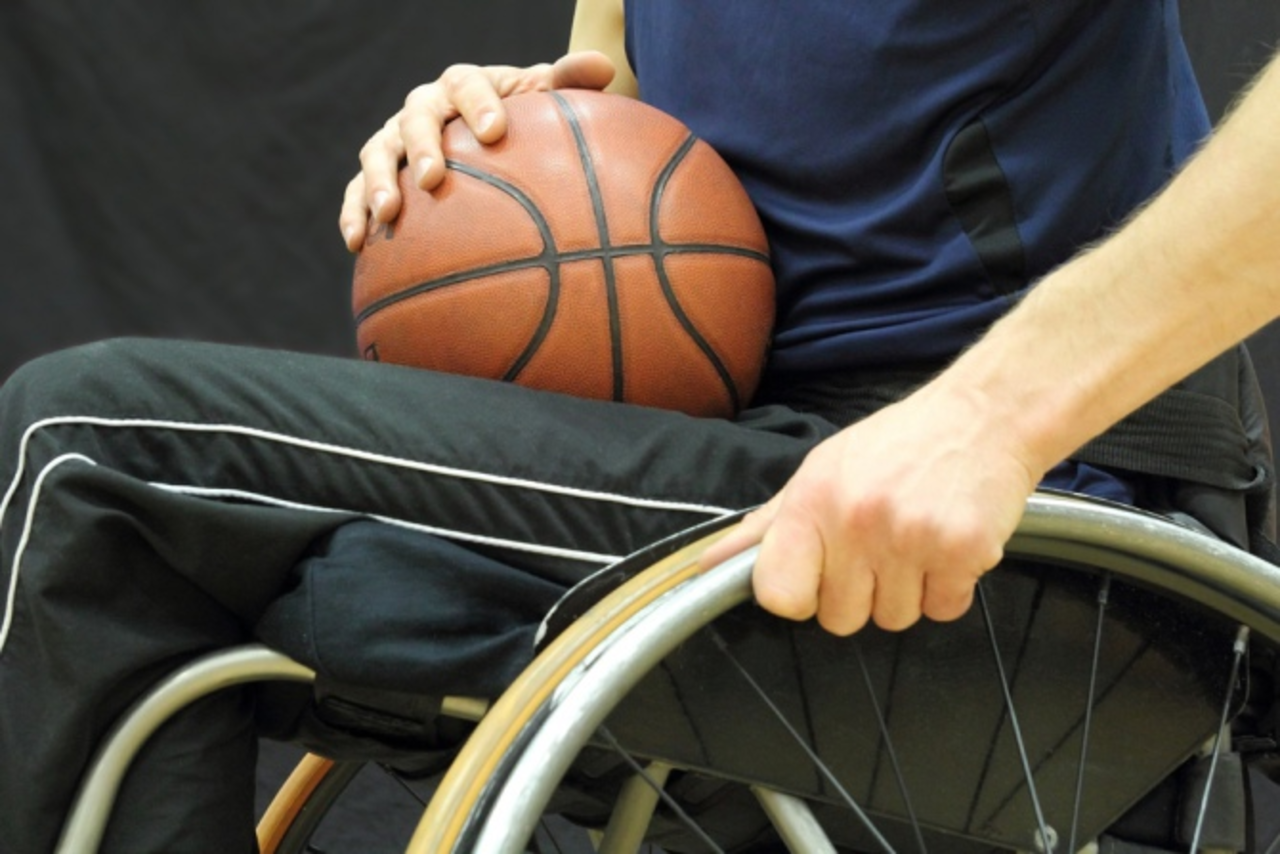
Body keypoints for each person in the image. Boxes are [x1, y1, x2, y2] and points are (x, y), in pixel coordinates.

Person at [0, 1, 1274, 851]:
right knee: (205, 538)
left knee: (91, 455)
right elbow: (640, 154)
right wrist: (514, 157)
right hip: (750, 456)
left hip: (1037, 520)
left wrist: (991, 415)